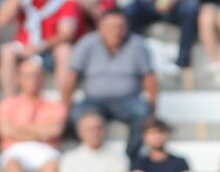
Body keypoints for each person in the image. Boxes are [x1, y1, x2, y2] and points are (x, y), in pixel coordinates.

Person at [62, 8, 156, 157]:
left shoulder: (138, 45)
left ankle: (130, 159)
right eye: (112, 26)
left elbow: (149, 77)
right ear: (101, 27)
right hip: (93, 100)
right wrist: (66, 103)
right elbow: (72, 75)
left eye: (121, 26)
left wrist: (152, 106)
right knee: (76, 114)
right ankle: (86, 156)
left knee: (143, 114)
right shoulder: (87, 43)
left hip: (128, 99)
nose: (117, 31)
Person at [0, 54, 66, 172]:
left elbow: (55, 130)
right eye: (28, 76)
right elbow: (6, 131)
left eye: (36, 75)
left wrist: (19, 130)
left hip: (45, 149)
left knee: (52, 165)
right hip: (15, 149)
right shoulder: (7, 104)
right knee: (12, 164)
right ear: (19, 78)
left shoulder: (56, 105)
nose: (33, 80)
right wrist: (40, 132)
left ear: (43, 78)